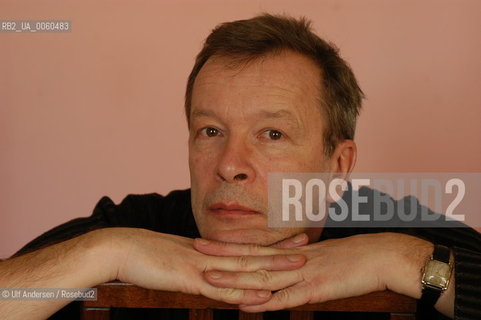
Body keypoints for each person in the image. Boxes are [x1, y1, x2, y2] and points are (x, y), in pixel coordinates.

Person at [1, 14, 480, 320]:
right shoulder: (130, 227)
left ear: (337, 165)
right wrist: (104, 254)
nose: (230, 165)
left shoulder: (401, 233)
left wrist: (399, 262)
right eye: (211, 131)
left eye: (272, 135)